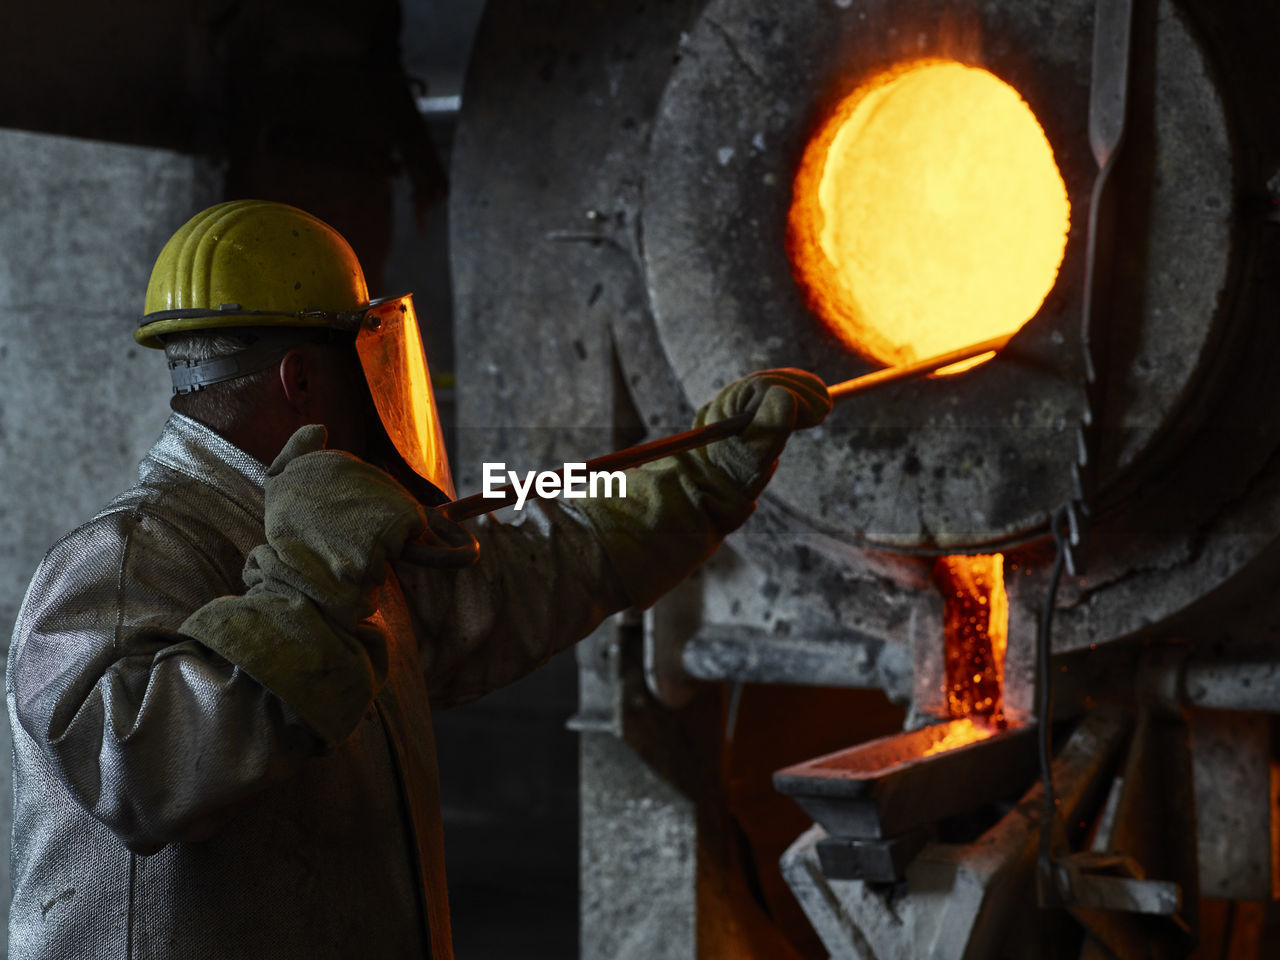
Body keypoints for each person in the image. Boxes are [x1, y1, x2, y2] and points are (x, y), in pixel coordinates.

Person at [6, 199, 829, 959]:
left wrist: (704, 472)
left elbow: (536, 574)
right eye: (366, 359)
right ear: (302, 378)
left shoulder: (348, 535)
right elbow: (143, 776)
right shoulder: (124, 558)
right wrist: (311, 580)